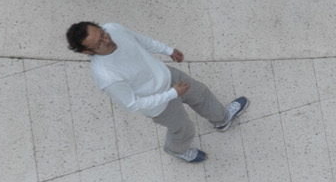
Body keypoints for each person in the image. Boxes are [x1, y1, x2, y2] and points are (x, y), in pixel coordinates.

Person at [70, 20, 246, 163]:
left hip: (167, 76)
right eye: (99, 43)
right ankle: (177, 150)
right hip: (158, 104)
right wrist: (172, 94)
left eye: (103, 34)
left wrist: (167, 50)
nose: (107, 41)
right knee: (183, 129)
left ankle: (222, 120)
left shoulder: (113, 28)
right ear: (87, 51)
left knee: (201, 94)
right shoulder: (106, 75)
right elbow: (133, 104)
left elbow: (139, 40)